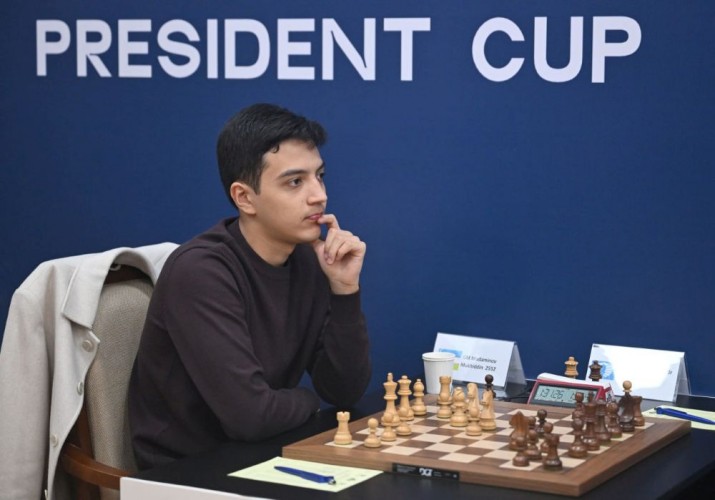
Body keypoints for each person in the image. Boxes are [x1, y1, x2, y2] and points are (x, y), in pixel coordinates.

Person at [129, 103, 371, 469]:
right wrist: (307, 401)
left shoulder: (308, 260)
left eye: (319, 176)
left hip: (267, 454)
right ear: (244, 197)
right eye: (295, 182)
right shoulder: (201, 273)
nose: (319, 195)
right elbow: (251, 417)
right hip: (188, 472)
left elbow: (344, 391)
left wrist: (344, 290)